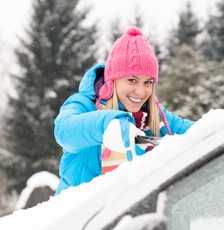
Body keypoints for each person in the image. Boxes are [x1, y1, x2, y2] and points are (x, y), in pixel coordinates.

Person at [54, 26, 194, 195]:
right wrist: (109, 125)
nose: (141, 92)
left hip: (131, 216)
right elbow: (64, 130)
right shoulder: (85, 104)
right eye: (132, 80)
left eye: (148, 82)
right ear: (113, 79)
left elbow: (200, 133)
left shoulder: (155, 115)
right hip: (79, 216)